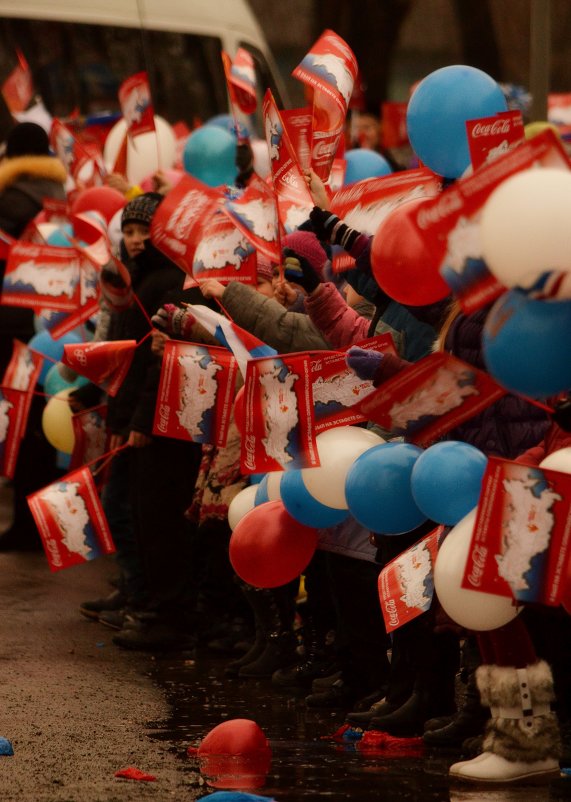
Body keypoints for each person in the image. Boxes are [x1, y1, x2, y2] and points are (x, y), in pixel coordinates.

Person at [0, 122, 67, 550]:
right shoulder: (62, 198)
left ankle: (24, 526)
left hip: (12, 325)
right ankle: (48, 522)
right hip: (55, 324)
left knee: (19, 425)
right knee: (45, 425)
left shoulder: (7, 200)